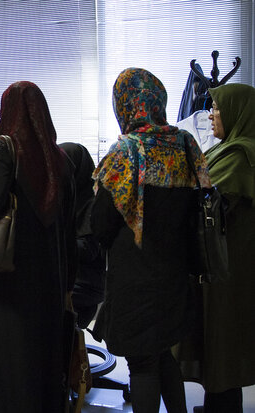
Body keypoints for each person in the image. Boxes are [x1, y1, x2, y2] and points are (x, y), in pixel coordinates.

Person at [90, 68, 211, 413]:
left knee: (142, 364)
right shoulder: (186, 144)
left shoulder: (126, 152)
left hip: (136, 278)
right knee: (163, 354)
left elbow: (100, 225)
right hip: (177, 274)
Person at [0, 81, 76, 412]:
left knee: (4, 370)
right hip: (48, 284)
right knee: (40, 367)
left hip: (4, 285)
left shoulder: (3, 150)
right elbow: (69, 229)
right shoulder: (61, 160)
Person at [199, 83, 255, 413]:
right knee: (217, 349)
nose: (211, 115)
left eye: (218, 109)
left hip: (230, 269)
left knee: (223, 348)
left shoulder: (241, 156)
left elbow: (206, 198)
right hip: (221, 265)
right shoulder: (228, 148)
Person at [59, 142, 105, 329]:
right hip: (68, 274)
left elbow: (87, 249)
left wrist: (53, 244)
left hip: (87, 280)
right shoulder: (64, 197)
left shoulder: (94, 201)